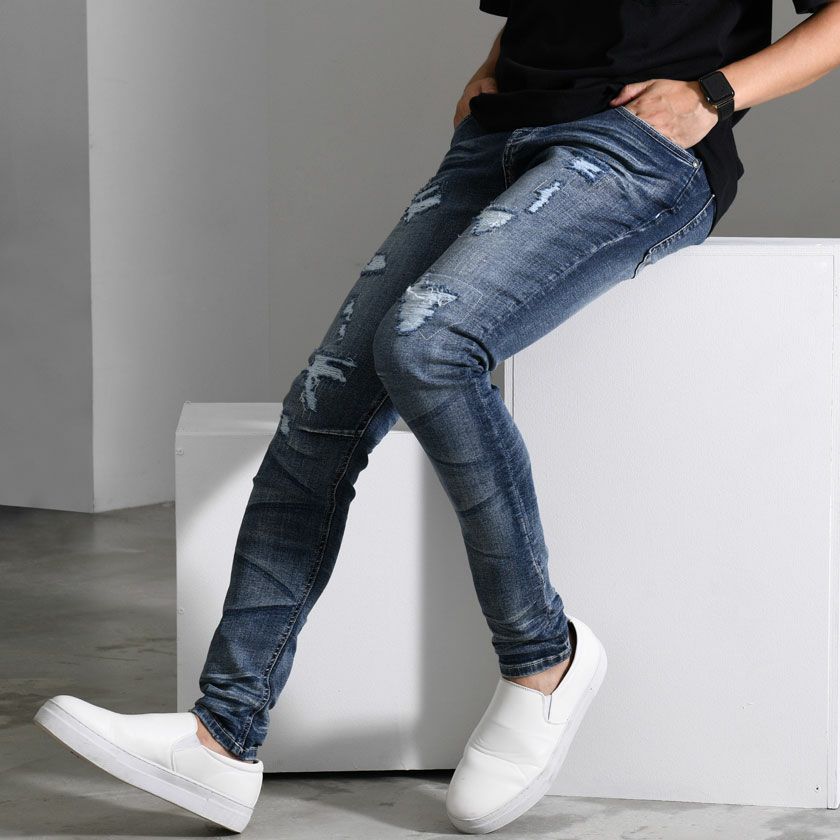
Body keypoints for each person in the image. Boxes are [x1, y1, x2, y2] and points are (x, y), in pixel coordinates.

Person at [34, 0, 840, 834]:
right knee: (321, 410)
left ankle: (543, 660)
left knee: (427, 345)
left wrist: (712, 94)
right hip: (500, 134)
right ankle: (222, 737)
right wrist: (493, 69)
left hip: (638, 148)